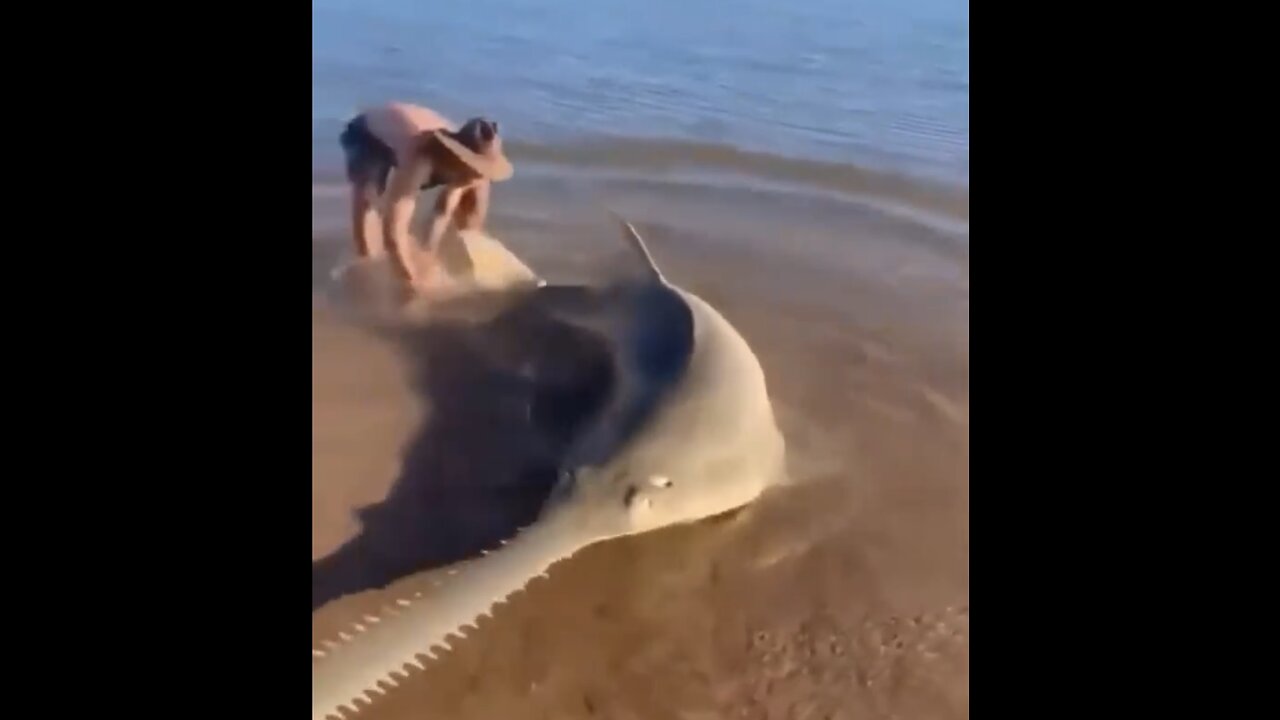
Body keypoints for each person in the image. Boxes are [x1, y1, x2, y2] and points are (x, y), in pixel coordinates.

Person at [339, 101, 514, 293]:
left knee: (479, 190)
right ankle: (368, 271)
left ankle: (467, 253)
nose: (477, 175)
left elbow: (443, 210)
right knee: (368, 200)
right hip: (368, 135)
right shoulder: (421, 159)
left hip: (414, 132)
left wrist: (428, 254)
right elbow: (393, 229)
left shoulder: (471, 153)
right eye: (476, 169)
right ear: (460, 158)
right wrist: (409, 279)